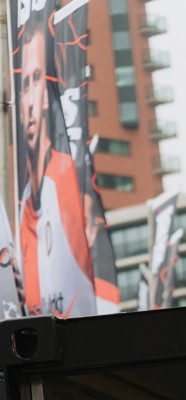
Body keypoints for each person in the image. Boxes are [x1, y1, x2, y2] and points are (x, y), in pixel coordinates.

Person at [16, 9, 96, 318]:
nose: (30, 100)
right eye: (24, 84)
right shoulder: (22, 201)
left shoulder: (68, 185)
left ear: (48, 94)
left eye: (37, 79)